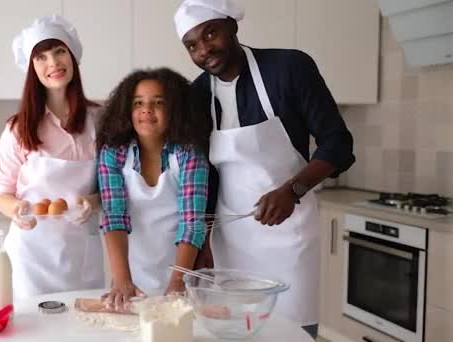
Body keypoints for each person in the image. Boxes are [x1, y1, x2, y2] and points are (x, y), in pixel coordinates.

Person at [174, 0, 356, 338]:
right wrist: (202, 244)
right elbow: (206, 180)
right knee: (234, 331)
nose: (203, 50)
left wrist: (293, 189)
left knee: (291, 331)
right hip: (231, 241)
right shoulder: (196, 95)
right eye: (191, 46)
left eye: (210, 33)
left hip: (291, 237)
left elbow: (338, 144)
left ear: (233, 26)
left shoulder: (288, 68)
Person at [0, 15, 104, 299]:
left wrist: (90, 203)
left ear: (72, 57)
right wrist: (16, 209)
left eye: (59, 52)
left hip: (83, 252)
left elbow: (111, 188)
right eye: (41, 57)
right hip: (31, 255)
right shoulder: (18, 129)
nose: (53, 63)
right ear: (32, 68)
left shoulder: (100, 120)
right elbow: (2, 194)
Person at [96, 68, 211, 309]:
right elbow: (114, 217)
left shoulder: (188, 154)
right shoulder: (113, 154)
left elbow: (192, 223)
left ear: (174, 110)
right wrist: (123, 281)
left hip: (183, 271)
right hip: (130, 273)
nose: (147, 109)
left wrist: (179, 282)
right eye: (138, 103)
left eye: (158, 102)